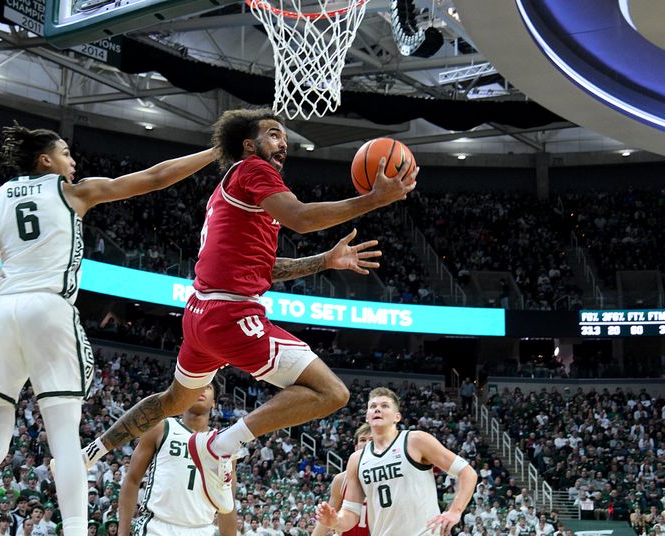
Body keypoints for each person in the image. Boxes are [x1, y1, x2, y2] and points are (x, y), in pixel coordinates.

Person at [79, 108, 417, 514]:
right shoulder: (253, 170)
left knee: (172, 401)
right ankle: (219, 448)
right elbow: (303, 218)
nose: (283, 143)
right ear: (248, 144)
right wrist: (372, 200)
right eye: (274, 134)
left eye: (285, 139)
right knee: (333, 393)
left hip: (201, 314)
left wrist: (325, 261)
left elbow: (266, 268)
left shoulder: (237, 192)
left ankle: (90, 453)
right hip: (232, 315)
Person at [0, 123, 218, 536]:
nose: (73, 162)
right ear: (46, 160)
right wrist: (215, 152)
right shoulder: (73, 192)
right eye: (66, 154)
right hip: (48, 307)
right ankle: (75, 530)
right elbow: (155, 178)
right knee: (64, 439)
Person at [316, 387, 477, 536]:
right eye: (373, 406)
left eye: (385, 406)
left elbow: (467, 472)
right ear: (367, 416)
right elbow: (350, 513)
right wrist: (335, 521)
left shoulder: (415, 440)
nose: (377, 409)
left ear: (397, 417)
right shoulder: (356, 459)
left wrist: (455, 511)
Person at [118, 382, 235, 536]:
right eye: (197, 385)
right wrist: (123, 532)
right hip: (157, 526)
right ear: (184, 396)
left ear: (214, 403)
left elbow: (227, 503)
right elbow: (132, 479)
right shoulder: (161, 427)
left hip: (202, 530)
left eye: (207, 387)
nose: (201, 389)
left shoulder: (223, 444)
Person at [311, 423, 372, 536]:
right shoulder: (341, 480)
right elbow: (326, 521)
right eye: (363, 440)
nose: (367, 443)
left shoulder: (389, 477)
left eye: (372, 440)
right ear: (356, 447)